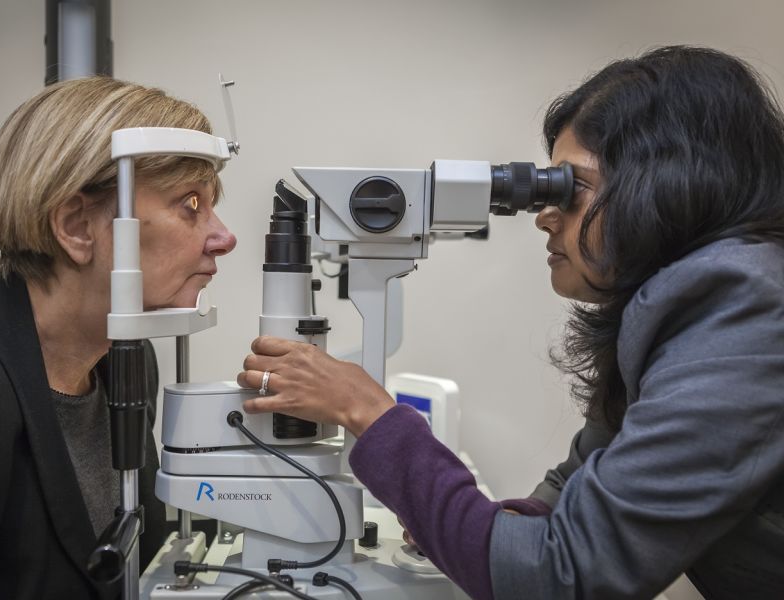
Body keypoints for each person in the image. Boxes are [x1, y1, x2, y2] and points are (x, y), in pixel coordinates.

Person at [237, 46, 784, 600]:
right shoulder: (686, 307)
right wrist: (480, 525)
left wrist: (368, 411)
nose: (545, 215)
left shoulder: (743, 307)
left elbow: (559, 579)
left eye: (570, 191)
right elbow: (581, 477)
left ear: (668, 182)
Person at [0, 77, 237, 599]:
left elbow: (145, 549)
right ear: (77, 226)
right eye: (190, 204)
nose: (224, 237)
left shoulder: (129, 358)